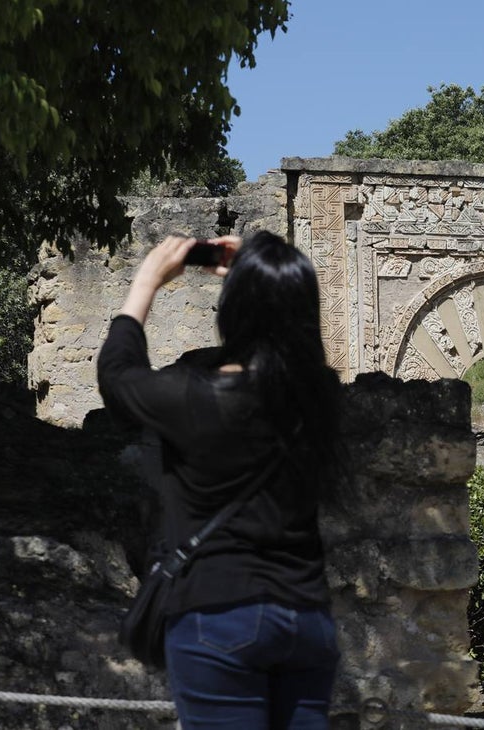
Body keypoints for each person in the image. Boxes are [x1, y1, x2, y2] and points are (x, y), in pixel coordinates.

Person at [97, 231, 343, 729]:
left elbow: (117, 374)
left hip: (218, 612)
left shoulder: (194, 397)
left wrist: (147, 280)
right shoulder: (322, 398)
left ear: (235, 311)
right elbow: (284, 355)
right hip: (306, 619)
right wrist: (266, 280)